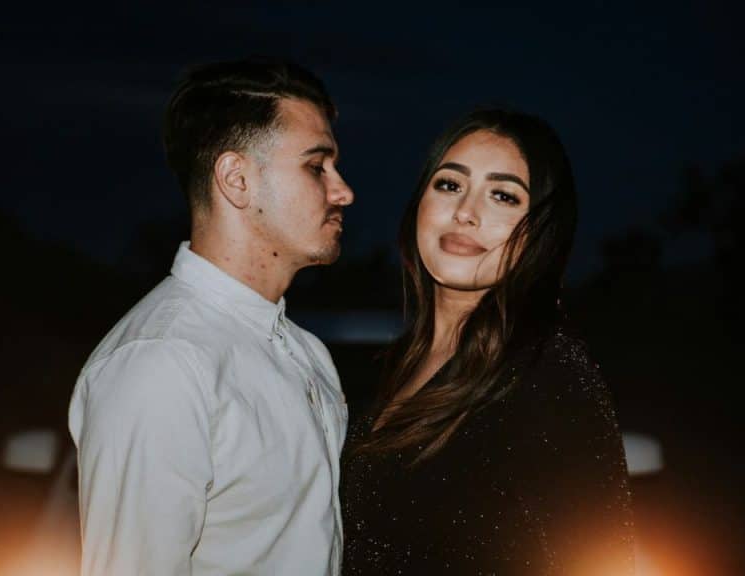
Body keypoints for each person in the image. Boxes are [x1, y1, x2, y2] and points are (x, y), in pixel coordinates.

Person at [68, 57, 354, 576]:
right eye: (317, 167)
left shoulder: (308, 353)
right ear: (237, 179)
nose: (343, 192)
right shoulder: (162, 362)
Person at [341, 109, 634, 574]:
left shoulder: (549, 371)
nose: (465, 213)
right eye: (449, 185)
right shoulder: (391, 365)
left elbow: (600, 556)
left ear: (540, 230)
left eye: (502, 195)